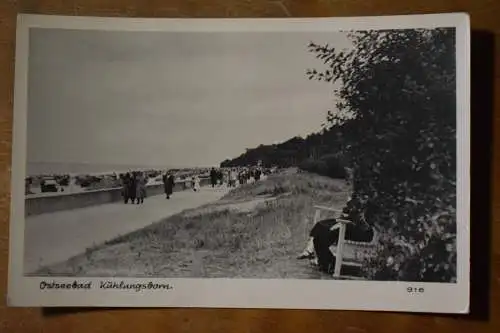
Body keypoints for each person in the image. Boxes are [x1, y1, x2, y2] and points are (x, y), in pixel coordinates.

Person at [297, 196, 374, 274]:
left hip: (360, 231)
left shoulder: (369, 205)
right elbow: (348, 212)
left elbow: (362, 221)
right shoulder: (357, 199)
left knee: (328, 232)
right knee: (320, 225)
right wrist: (348, 209)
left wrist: (349, 215)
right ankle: (309, 250)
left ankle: (326, 261)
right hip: (347, 223)